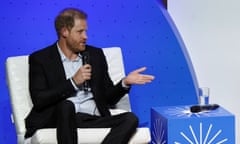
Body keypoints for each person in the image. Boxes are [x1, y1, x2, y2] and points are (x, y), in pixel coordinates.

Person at [24, 8, 155, 144]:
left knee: (130, 119)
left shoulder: (95, 55)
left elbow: (108, 99)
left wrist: (125, 83)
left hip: (89, 118)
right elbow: (39, 99)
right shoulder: (41, 59)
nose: (85, 36)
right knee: (66, 106)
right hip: (58, 118)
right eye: (80, 32)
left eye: (86, 31)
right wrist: (73, 82)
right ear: (64, 32)